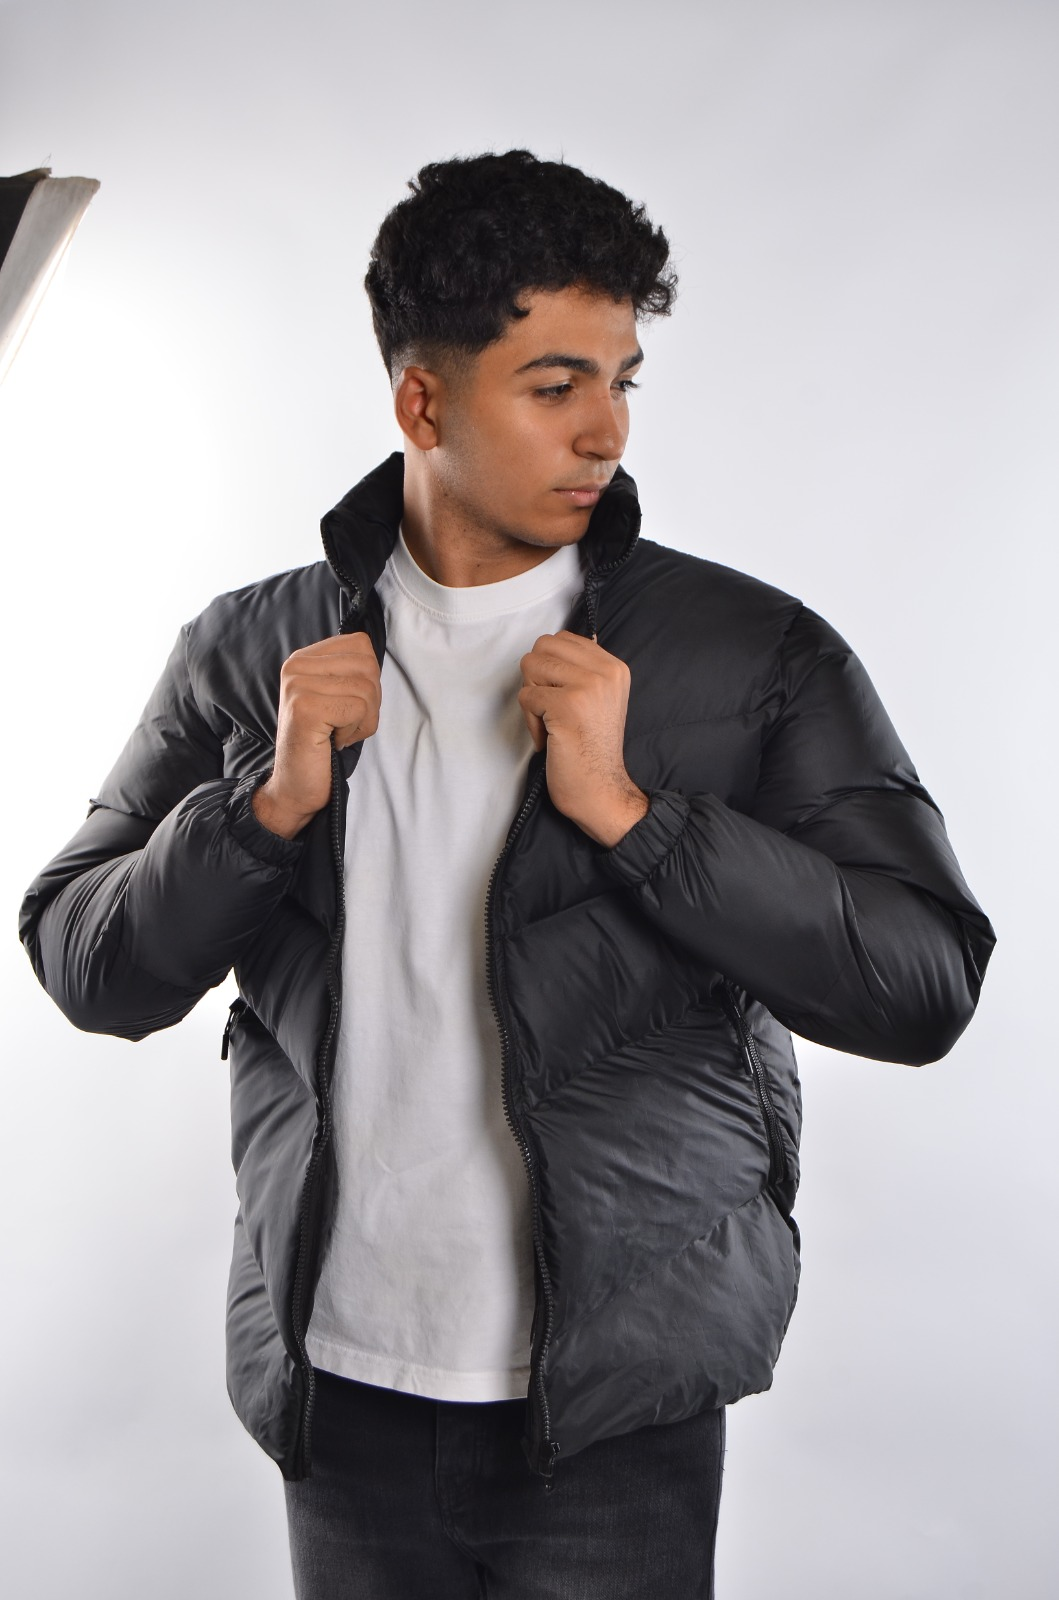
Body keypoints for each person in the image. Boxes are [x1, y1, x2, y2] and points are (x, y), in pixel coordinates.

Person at [19, 149, 996, 1599]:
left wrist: (636, 817)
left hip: (610, 1408)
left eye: (623, 380)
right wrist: (261, 808)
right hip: (337, 1386)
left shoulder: (752, 653)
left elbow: (921, 985)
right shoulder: (249, 652)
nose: (607, 429)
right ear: (423, 403)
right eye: (555, 385)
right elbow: (86, 963)